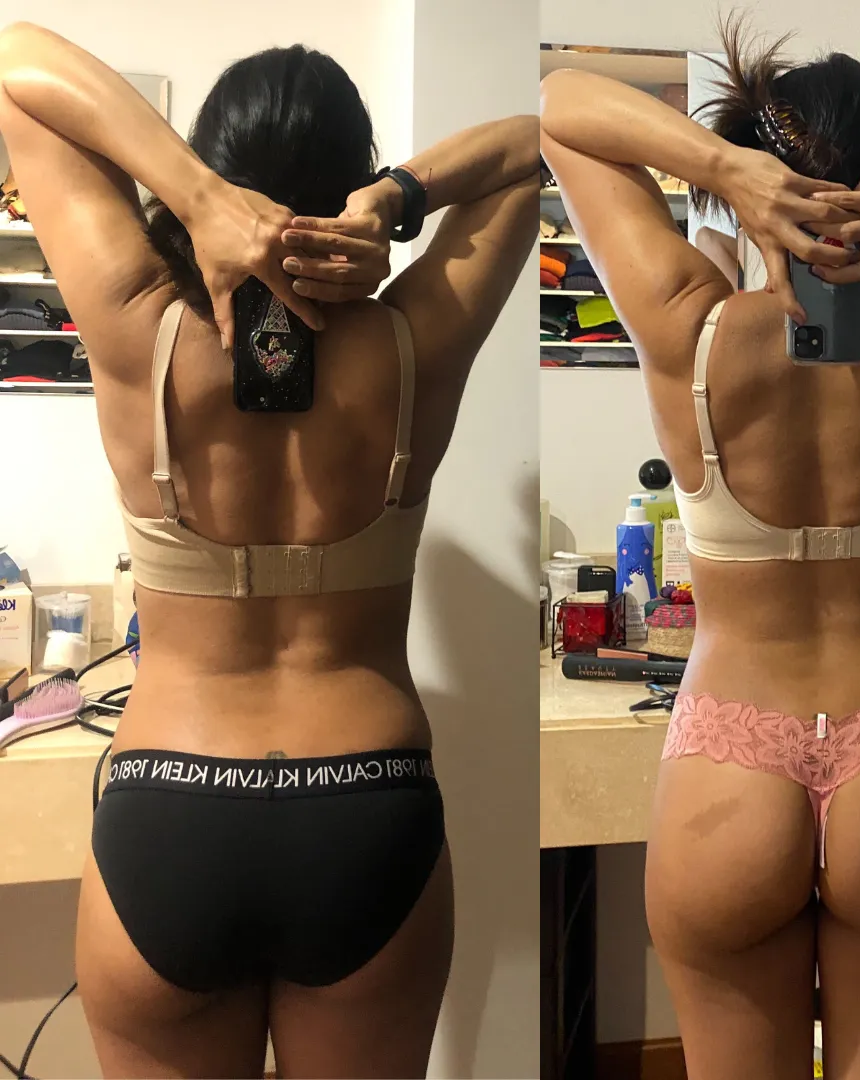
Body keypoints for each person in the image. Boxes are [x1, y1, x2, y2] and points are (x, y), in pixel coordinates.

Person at [0, 21, 538, 1078]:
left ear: (214, 169)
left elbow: (18, 67)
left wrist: (196, 195)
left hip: (170, 806)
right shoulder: (412, 344)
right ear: (350, 181)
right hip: (367, 810)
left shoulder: (135, 324)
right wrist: (394, 201)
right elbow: (534, 142)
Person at [540, 16, 860, 1080]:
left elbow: (558, 109)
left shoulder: (687, 327)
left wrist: (724, 175)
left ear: (757, 189)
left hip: (728, 762)